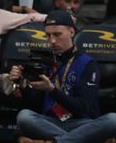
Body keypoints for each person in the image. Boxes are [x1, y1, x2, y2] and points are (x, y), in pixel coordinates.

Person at [10, 11, 116, 142]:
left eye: (57, 34)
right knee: (24, 116)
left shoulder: (88, 63)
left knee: (113, 119)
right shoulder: (46, 63)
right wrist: (23, 85)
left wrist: (52, 91)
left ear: (71, 32)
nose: (52, 41)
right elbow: (37, 104)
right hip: (52, 123)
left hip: (83, 123)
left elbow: (82, 109)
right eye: (48, 35)